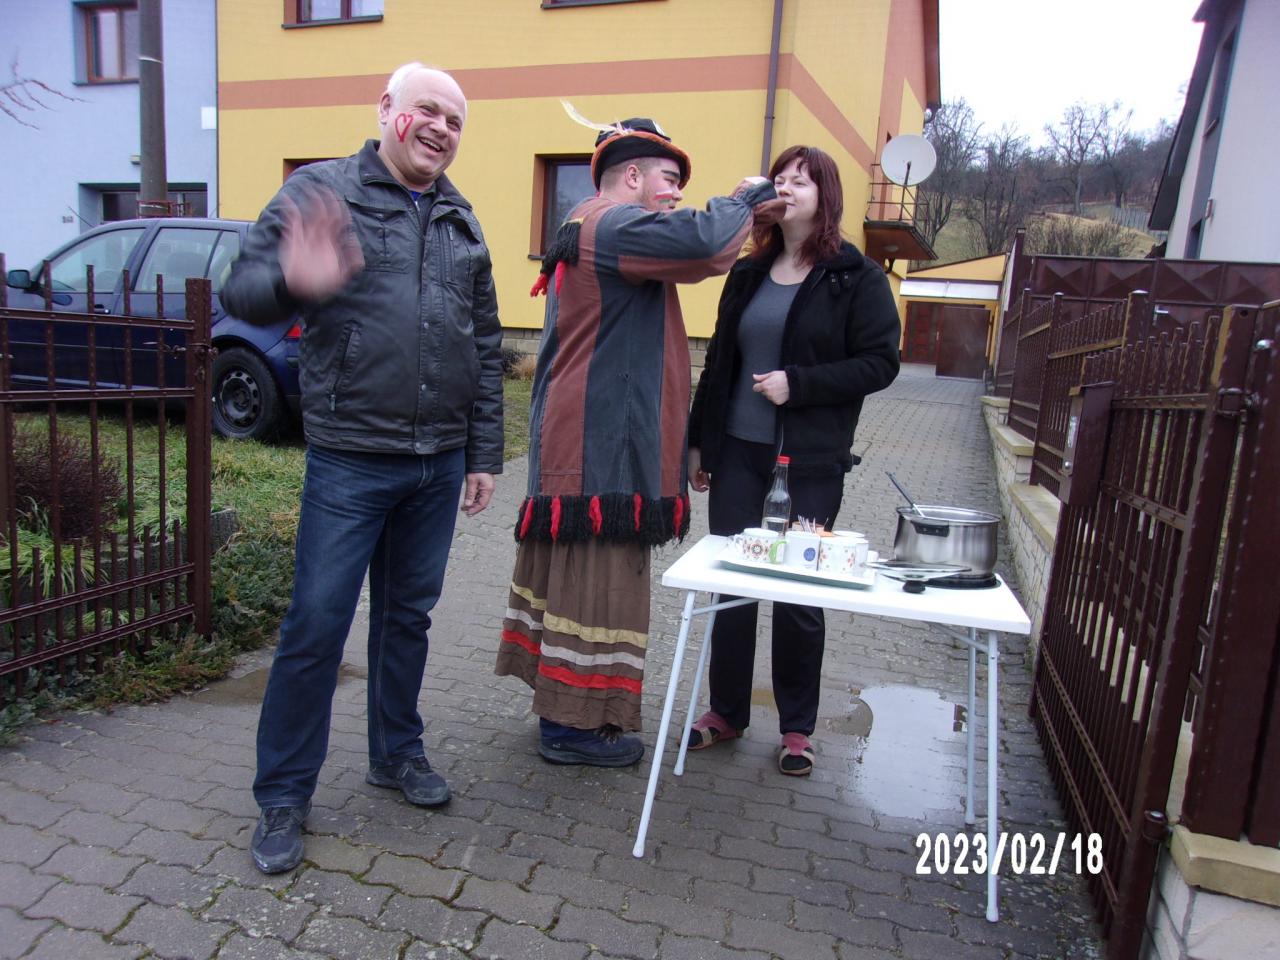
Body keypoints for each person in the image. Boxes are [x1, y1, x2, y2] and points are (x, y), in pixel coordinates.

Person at [222, 63, 503, 874]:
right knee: (317, 624)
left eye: (455, 120)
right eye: (428, 110)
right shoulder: (322, 192)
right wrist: (292, 278)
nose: (441, 128)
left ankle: (396, 752)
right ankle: (283, 795)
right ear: (387, 109)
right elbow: (241, 290)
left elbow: (485, 346)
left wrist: (484, 454)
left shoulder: (460, 218)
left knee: (408, 619)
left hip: (438, 462)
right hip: (351, 457)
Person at [495, 118, 784, 767]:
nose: (678, 193)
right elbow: (706, 245)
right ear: (631, 176)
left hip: (592, 441)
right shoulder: (612, 223)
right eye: (670, 179)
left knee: (585, 580)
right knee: (595, 584)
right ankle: (568, 728)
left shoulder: (592, 224)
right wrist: (745, 198)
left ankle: (568, 713)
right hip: (601, 450)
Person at [686, 145, 900, 776]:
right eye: (779, 179)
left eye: (800, 181)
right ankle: (726, 711)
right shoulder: (748, 273)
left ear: (825, 196)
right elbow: (719, 362)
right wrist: (700, 441)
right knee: (733, 585)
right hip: (737, 453)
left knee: (799, 591)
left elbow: (880, 363)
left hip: (807, 461)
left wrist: (798, 384)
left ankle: (797, 728)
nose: (786, 188)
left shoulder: (854, 277)